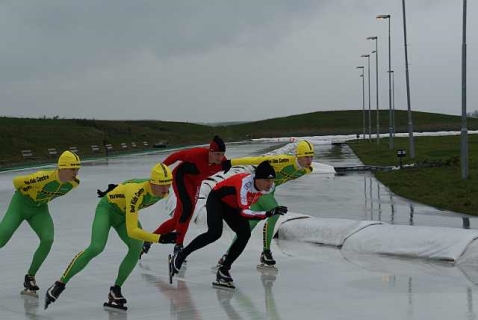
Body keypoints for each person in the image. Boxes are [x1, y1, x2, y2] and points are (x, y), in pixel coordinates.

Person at [44, 163, 178, 311]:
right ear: (152, 182)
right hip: (107, 209)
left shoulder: (162, 191)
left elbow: (129, 182)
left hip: (123, 213)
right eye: (162, 185)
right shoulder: (137, 192)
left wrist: (115, 189)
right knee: (96, 247)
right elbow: (132, 230)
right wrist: (160, 238)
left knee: (136, 248)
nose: (166, 189)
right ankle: (60, 283)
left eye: (168, 184)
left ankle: (115, 290)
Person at [170, 160, 288, 288]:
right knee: (214, 233)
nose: (270, 184)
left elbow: (245, 209)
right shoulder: (244, 185)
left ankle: (224, 269)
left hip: (233, 205)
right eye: (267, 180)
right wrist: (267, 214)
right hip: (217, 200)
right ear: (258, 179)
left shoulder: (263, 187)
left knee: (244, 233)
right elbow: (243, 212)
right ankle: (181, 255)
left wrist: (266, 213)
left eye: (271, 181)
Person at [217, 140, 314, 269]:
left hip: (267, 192)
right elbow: (256, 160)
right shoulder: (283, 160)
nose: (309, 160)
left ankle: (227, 255)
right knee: (275, 212)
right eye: (306, 156)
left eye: (311, 156)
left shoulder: (307, 170)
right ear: (298, 156)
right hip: (260, 190)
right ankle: (266, 252)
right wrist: (231, 162)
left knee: (248, 226)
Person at [0, 150, 81, 297]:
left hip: (39, 209)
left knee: (47, 239)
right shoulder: (43, 177)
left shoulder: (73, 184)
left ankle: (30, 277)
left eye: (78, 169)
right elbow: (16, 182)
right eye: (73, 168)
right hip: (20, 205)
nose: (76, 172)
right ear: (62, 168)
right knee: (2, 238)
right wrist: (28, 194)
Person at [140, 135, 234, 258]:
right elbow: (176, 156)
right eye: (217, 154)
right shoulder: (196, 154)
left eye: (222, 154)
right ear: (210, 152)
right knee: (187, 210)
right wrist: (161, 168)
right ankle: (178, 246)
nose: (220, 157)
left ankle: (150, 239)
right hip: (181, 178)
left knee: (177, 220)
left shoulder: (222, 162)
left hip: (195, 184)